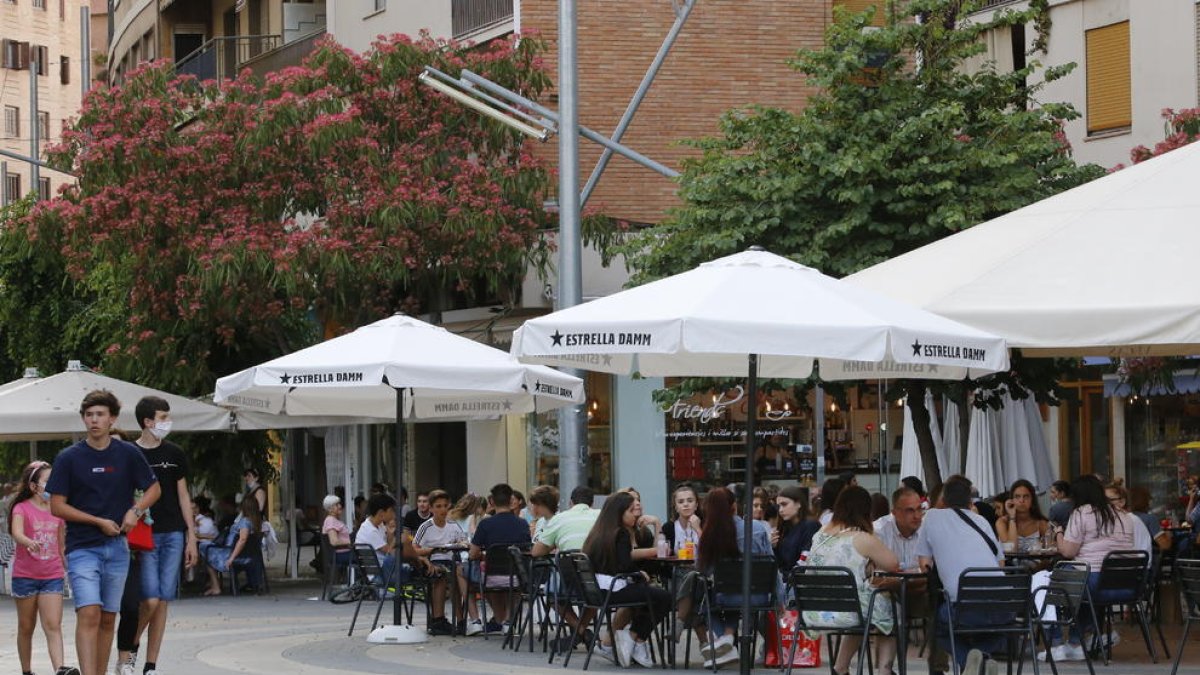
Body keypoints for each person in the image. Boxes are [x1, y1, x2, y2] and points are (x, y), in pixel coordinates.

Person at [47, 390, 160, 675]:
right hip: (82, 547)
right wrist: (96, 521)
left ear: (112, 419)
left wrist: (135, 511)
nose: (94, 420)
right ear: (83, 419)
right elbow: (57, 506)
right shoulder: (68, 457)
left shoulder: (127, 453)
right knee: (89, 612)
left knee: (109, 617)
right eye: (89, 415)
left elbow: (154, 488)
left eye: (100, 414)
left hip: (118, 547)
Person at [125, 396, 197, 675]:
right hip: (145, 535)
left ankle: (150, 664)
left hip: (173, 532)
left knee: (163, 599)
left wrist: (191, 536)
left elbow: (183, 495)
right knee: (151, 599)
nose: (168, 422)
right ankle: (130, 643)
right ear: (147, 421)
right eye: (163, 417)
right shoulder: (131, 452)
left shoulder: (175, 453)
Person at [804, 485, 897, 675]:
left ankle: (841, 668)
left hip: (815, 612)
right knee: (887, 608)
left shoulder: (819, 534)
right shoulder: (862, 538)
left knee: (860, 610)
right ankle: (885, 670)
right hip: (848, 612)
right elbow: (893, 564)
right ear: (866, 511)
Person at [915, 476, 1006, 671]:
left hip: (964, 610)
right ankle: (982, 659)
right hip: (1004, 609)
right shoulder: (981, 521)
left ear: (943, 499)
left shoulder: (931, 518)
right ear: (970, 501)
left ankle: (969, 662)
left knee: (939, 626)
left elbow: (924, 565)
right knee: (1001, 631)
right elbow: (1000, 563)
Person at [582, 491, 672, 668]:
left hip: (597, 591)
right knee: (665, 598)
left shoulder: (598, 533)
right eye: (631, 511)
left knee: (648, 595)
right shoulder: (621, 533)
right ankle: (635, 637)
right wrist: (638, 573)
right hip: (614, 590)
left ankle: (631, 642)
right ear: (619, 513)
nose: (635, 515)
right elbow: (625, 565)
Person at [689, 487, 774, 668]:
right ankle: (727, 639)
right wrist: (779, 599)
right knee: (734, 590)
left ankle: (725, 640)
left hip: (727, 597)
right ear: (735, 506)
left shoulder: (710, 536)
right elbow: (773, 565)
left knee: (705, 599)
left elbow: (702, 569)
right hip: (760, 597)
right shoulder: (757, 528)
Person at [10, 461, 79, 675]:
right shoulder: (21, 508)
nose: (53, 484)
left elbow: (61, 545)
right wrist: (28, 541)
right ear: (34, 486)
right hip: (25, 577)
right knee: (26, 627)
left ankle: (60, 669)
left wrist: (70, 568)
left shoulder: (57, 510)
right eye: (48, 481)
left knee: (53, 625)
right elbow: (16, 532)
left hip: (52, 575)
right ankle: (27, 671)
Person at [531, 486, 599, 653]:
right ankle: (583, 632)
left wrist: (556, 542)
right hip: (598, 579)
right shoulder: (601, 515)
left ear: (570, 503)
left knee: (552, 595)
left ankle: (580, 632)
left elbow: (536, 552)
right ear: (592, 503)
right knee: (596, 596)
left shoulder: (559, 519)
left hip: (569, 581)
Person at [465, 483, 531, 636]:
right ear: (511, 501)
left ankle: (476, 620)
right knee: (513, 578)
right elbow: (526, 551)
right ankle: (508, 621)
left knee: (461, 570)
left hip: (491, 577)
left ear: (492, 502)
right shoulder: (522, 524)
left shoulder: (485, 524)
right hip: (516, 578)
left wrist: (484, 555)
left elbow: (472, 554)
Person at [411, 489, 467, 637]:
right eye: (438, 506)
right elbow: (414, 549)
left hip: (453, 561)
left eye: (445, 506)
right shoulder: (426, 527)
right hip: (432, 562)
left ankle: (461, 620)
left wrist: (459, 544)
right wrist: (433, 549)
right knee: (441, 575)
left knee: (458, 575)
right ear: (431, 509)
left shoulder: (453, 525)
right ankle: (438, 619)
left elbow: (464, 542)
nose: (442, 510)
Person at [203, 495, 263, 596]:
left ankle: (215, 586)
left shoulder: (245, 522)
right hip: (252, 556)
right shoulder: (257, 522)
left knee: (206, 552)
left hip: (234, 554)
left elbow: (242, 540)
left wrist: (231, 558)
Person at [355, 493, 401, 590]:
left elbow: (389, 547)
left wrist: (390, 533)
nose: (394, 515)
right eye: (391, 511)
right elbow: (390, 551)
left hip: (382, 570)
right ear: (381, 513)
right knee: (407, 562)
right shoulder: (370, 531)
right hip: (378, 576)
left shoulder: (377, 525)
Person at [995, 479, 1049, 553]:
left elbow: (1050, 550)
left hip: (1037, 560)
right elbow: (1011, 550)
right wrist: (1012, 517)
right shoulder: (1002, 522)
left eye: (1026, 496)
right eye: (1017, 497)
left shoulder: (1041, 523)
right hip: (1010, 560)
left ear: (1032, 500)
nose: (1021, 500)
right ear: (1011, 500)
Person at [775, 485, 820, 572]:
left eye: (784, 504)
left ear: (798, 503)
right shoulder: (785, 527)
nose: (780, 510)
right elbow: (780, 563)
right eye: (778, 506)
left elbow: (805, 559)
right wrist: (774, 547)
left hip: (799, 577)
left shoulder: (810, 525)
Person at [661, 483, 701, 555]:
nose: (686, 504)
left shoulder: (705, 524)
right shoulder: (668, 528)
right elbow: (661, 554)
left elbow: (712, 551)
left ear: (696, 505)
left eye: (690, 501)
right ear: (676, 507)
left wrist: (698, 529)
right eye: (681, 502)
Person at [1128, 485, 1171, 551]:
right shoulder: (1150, 518)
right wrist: (1168, 534)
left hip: (1125, 555)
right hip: (1145, 555)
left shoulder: (1122, 518)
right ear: (1145, 501)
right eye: (1149, 499)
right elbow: (1165, 545)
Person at [320, 495, 352, 568]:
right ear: (330, 509)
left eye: (339, 504)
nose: (340, 506)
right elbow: (334, 542)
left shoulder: (334, 520)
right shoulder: (330, 520)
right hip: (340, 554)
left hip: (342, 553)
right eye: (337, 505)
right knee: (365, 557)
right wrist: (351, 542)